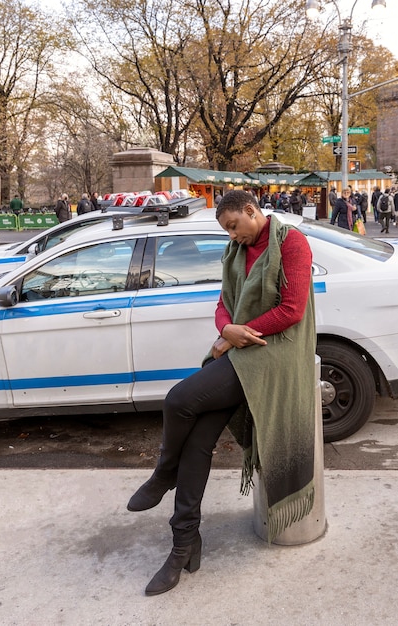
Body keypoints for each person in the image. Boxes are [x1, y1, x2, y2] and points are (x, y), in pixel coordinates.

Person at [127, 189, 316, 596]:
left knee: (178, 400)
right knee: (197, 439)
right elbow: (223, 304)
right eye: (227, 231)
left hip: (273, 353)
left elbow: (292, 309)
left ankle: (163, 474)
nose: (233, 236)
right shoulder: (235, 252)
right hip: (241, 347)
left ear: (251, 211)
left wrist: (231, 338)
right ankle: (183, 544)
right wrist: (226, 329)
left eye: (234, 226)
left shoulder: (292, 243)